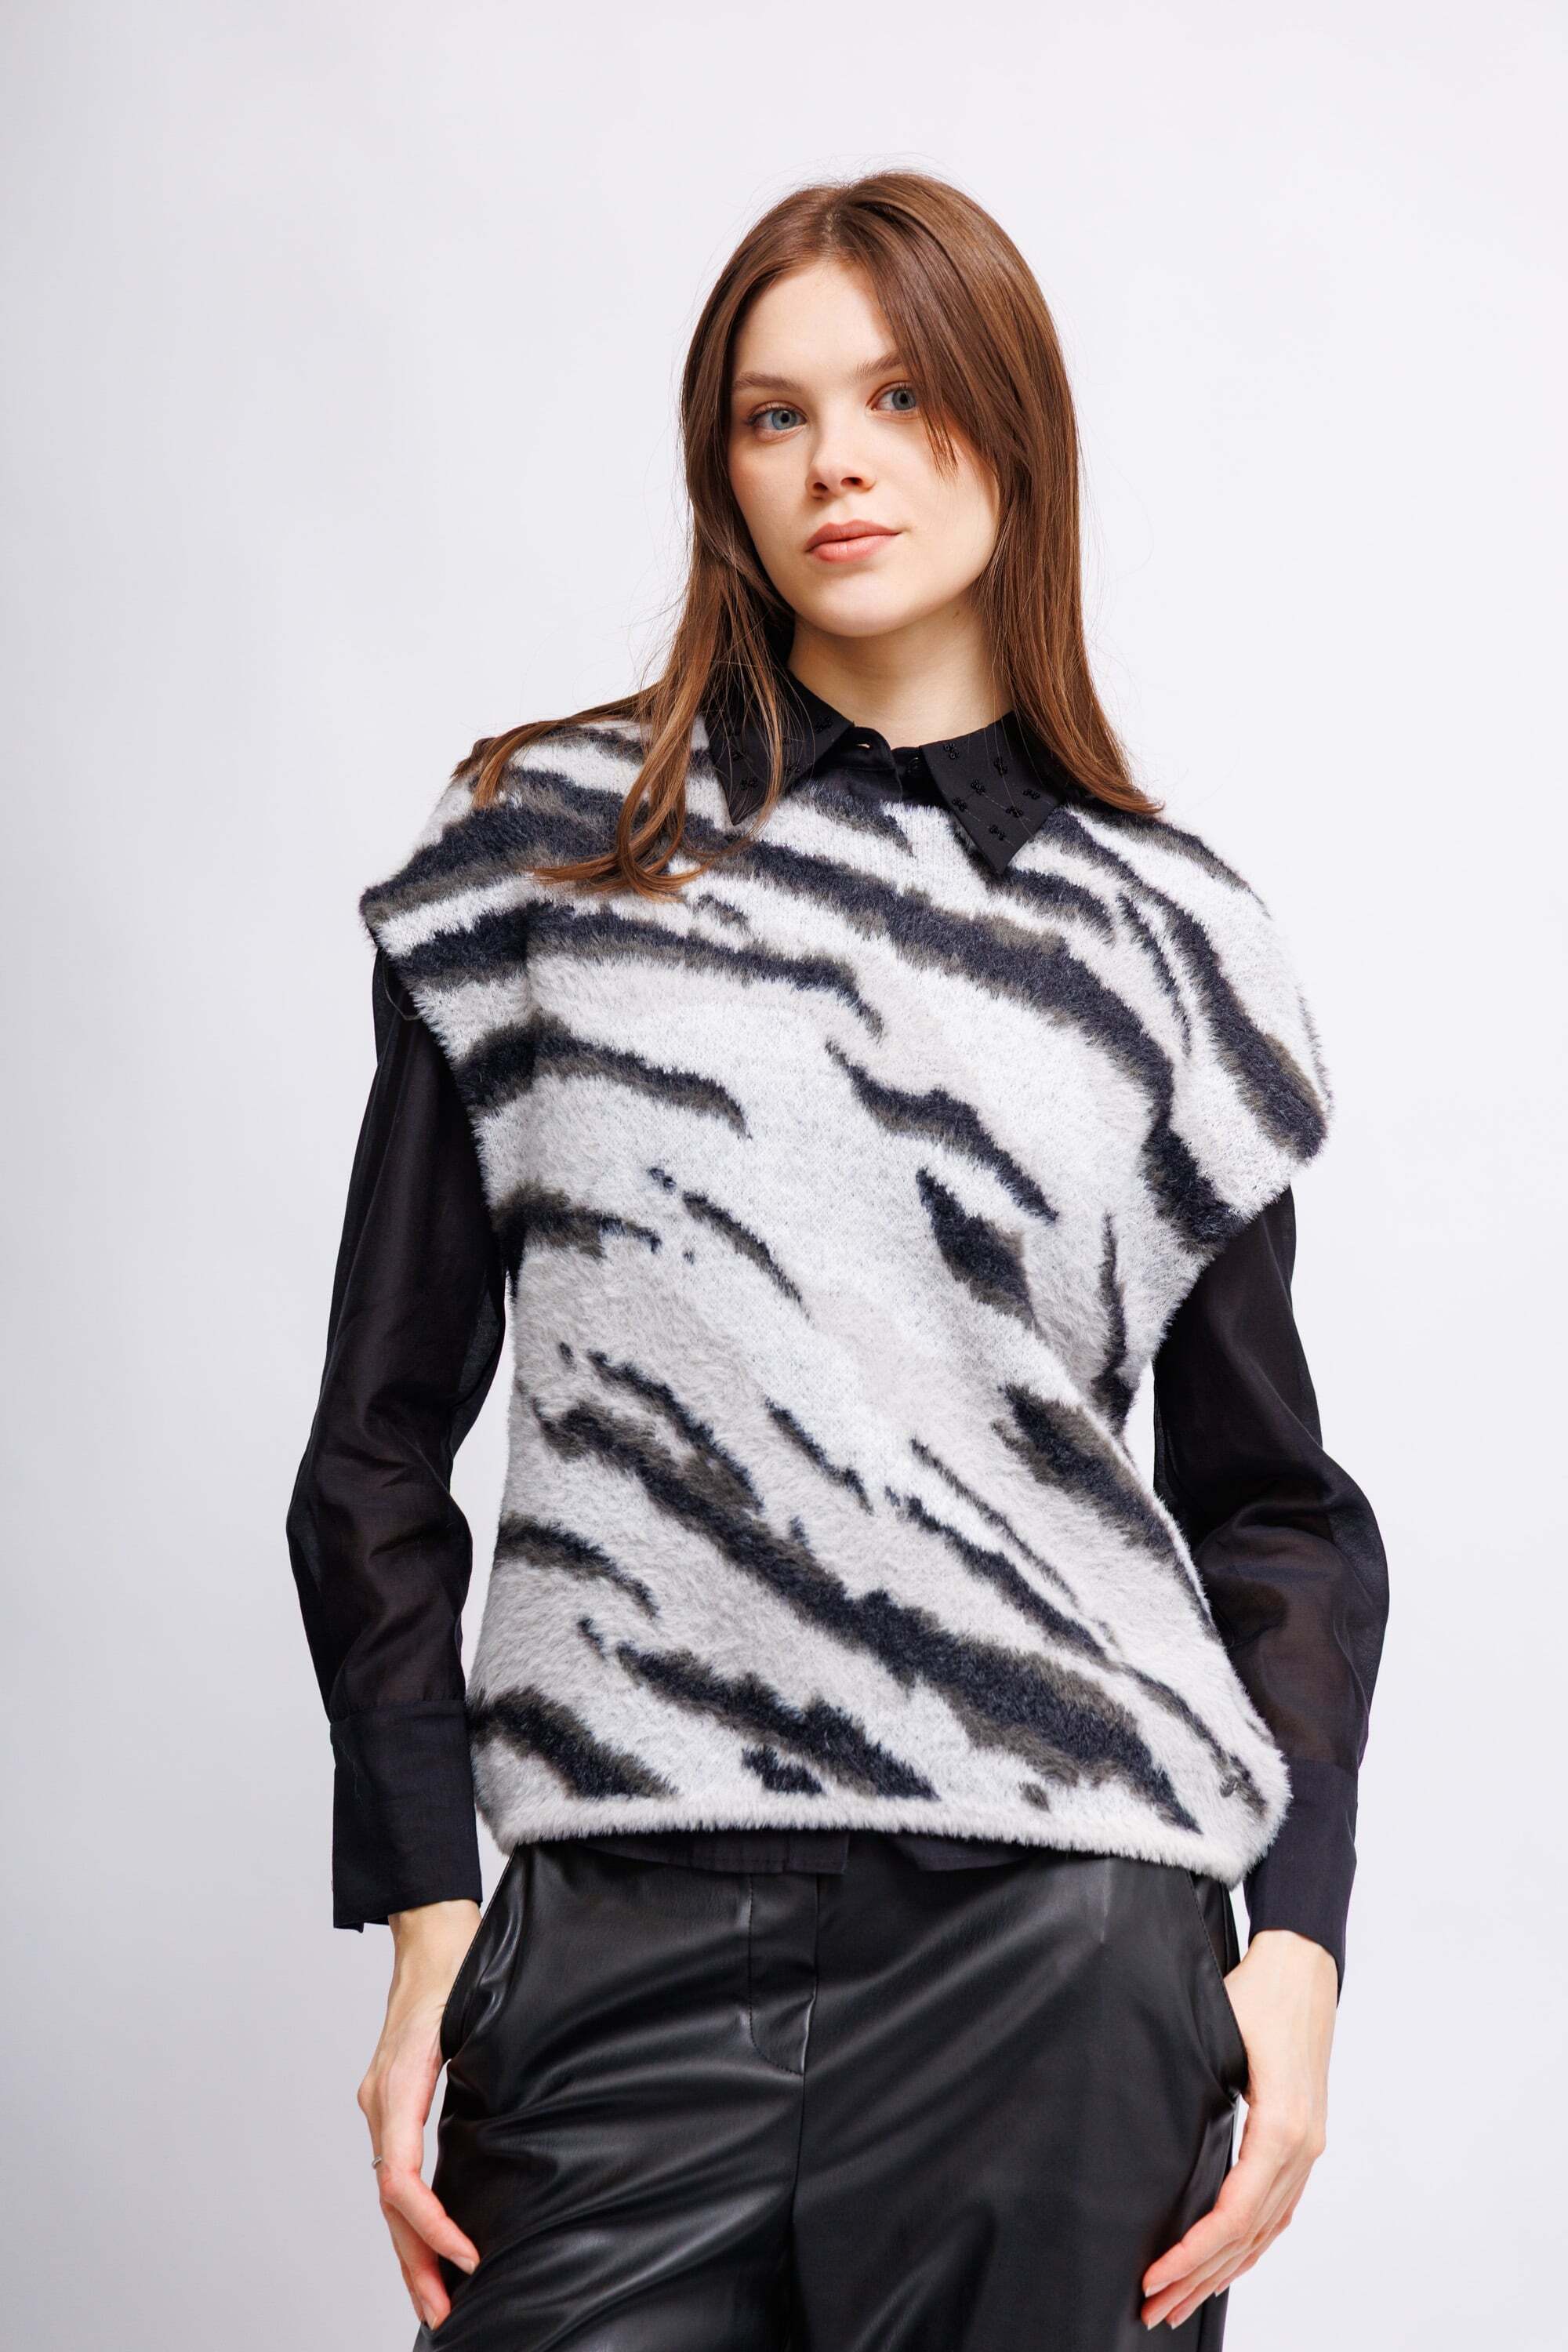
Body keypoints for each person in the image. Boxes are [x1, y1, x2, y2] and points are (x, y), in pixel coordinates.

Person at [287, 169, 1388, 2349]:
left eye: (900, 397)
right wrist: (425, 1909)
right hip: (613, 1943)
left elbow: (1274, 1503)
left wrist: (1300, 1947)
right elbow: (377, 1443)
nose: (837, 464)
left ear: (1012, 426)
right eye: (774, 415)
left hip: (1063, 1947)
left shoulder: (1168, 945)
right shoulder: (542, 860)